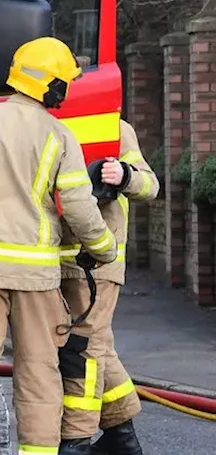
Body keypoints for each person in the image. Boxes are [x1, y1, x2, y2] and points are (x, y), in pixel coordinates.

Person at [0, 36, 119, 455]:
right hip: (36, 279)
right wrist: (104, 250)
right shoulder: (59, 136)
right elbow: (81, 209)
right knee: (38, 371)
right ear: (51, 86)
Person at [57, 120, 158, 455]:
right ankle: (122, 438)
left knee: (81, 351)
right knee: (99, 347)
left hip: (98, 265)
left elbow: (149, 185)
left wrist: (124, 175)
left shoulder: (114, 127)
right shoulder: (42, 121)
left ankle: (77, 441)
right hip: (57, 263)